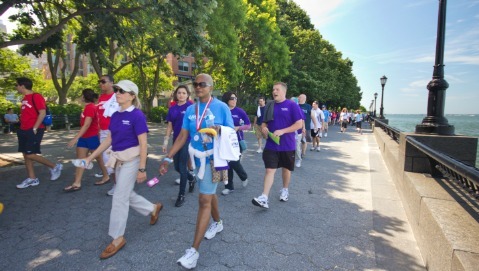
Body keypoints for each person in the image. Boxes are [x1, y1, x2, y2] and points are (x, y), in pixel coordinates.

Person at [81, 80, 163, 259]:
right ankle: (152, 208)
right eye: (116, 90)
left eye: (122, 91)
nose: (117, 93)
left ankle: (117, 238)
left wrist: (142, 168)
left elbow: (143, 144)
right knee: (125, 193)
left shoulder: (137, 115)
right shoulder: (116, 115)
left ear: (132, 96)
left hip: (132, 161)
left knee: (119, 197)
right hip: (119, 160)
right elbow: (109, 139)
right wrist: (90, 156)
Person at [159, 73, 234, 269]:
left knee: (203, 200)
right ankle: (218, 222)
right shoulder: (191, 109)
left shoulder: (221, 107)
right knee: (209, 194)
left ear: (211, 86)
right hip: (197, 160)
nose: (198, 87)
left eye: (202, 84)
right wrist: (169, 157)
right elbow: (183, 135)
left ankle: (193, 251)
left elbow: (232, 132)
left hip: (214, 160)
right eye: (196, 84)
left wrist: (219, 129)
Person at [252, 82, 302, 209]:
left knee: (286, 169)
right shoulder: (269, 105)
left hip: (287, 145)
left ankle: (285, 189)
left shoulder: (292, 105)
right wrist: (264, 128)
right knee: (269, 170)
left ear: (283, 92)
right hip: (271, 144)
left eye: (277, 89)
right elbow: (264, 123)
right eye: (273, 89)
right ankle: (264, 197)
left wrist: (283, 131)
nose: (274, 91)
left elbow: (299, 124)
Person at [15, 77, 63, 189]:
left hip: (34, 129)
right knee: (25, 155)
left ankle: (54, 166)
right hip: (23, 129)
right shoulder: (24, 98)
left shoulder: (36, 96)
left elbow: (42, 113)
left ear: (22, 86)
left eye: (16, 85)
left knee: (30, 154)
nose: (16, 87)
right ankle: (32, 179)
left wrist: (35, 128)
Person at [64, 89, 109, 192]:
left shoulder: (90, 108)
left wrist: (75, 138)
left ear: (84, 97)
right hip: (84, 138)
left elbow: (87, 124)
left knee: (99, 158)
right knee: (81, 160)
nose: (81, 97)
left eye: (81, 96)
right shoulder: (88, 107)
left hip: (91, 137)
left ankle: (106, 176)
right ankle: (77, 183)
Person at [162, 85, 196, 207]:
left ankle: (181, 195)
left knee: (182, 167)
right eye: (179, 93)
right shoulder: (172, 109)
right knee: (177, 167)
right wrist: (166, 142)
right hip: (176, 140)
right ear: (176, 95)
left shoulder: (191, 108)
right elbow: (170, 126)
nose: (181, 95)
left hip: (188, 140)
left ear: (188, 95)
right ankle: (191, 178)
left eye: (183, 93)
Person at [221, 91, 250, 195]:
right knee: (227, 164)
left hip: (237, 142)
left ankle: (244, 176)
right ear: (227, 99)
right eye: (232, 98)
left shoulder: (240, 111)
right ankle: (229, 187)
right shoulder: (223, 111)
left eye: (236, 98)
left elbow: (248, 125)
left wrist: (239, 127)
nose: (235, 100)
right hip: (224, 142)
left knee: (234, 161)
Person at [96, 75, 120, 195]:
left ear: (112, 83)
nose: (101, 83)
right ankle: (118, 184)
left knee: (114, 160)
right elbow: (99, 116)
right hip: (104, 133)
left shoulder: (117, 97)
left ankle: (118, 186)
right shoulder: (101, 98)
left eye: (103, 81)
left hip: (116, 132)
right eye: (99, 82)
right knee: (108, 160)